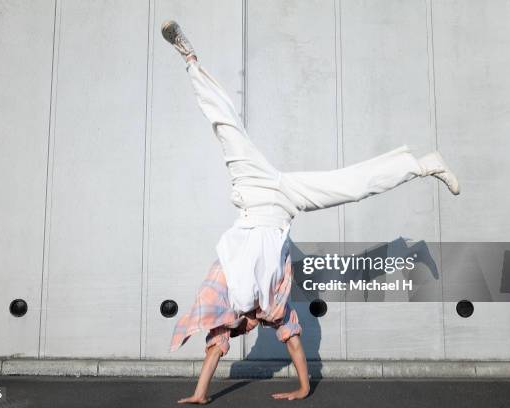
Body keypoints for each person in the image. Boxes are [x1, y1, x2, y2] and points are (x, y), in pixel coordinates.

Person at [162, 20, 460, 404]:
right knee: (350, 186)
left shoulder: (227, 285)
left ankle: (189, 58)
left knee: (226, 126)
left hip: (254, 193)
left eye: (244, 325)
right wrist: (302, 388)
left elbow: (214, 344)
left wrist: (200, 392)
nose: (250, 325)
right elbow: (297, 348)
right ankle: (423, 167)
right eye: (250, 326)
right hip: (285, 202)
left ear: (241, 322)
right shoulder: (277, 307)